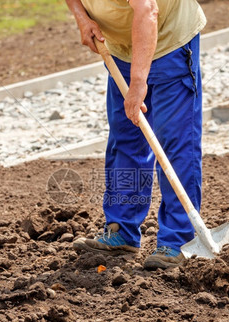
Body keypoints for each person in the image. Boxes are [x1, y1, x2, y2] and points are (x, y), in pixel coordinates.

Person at [66, 0, 207, 270]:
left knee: (174, 143)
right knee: (125, 138)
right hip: (122, 48)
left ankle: (178, 240)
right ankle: (122, 230)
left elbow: (147, 10)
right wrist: (82, 17)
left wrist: (138, 83)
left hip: (169, 40)